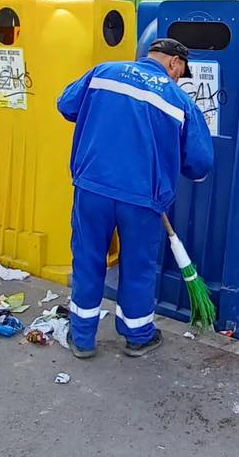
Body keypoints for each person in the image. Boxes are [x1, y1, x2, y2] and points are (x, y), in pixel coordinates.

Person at [56, 38, 214, 358]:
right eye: (181, 72)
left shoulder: (103, 72)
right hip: (143, 199)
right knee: (138, 267)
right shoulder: (179, 100)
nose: (179, 78)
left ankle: (83, 338)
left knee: (87, 259)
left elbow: (66, 105)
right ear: (174, 63)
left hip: (93, 188)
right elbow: (200, 165)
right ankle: (138, 336)